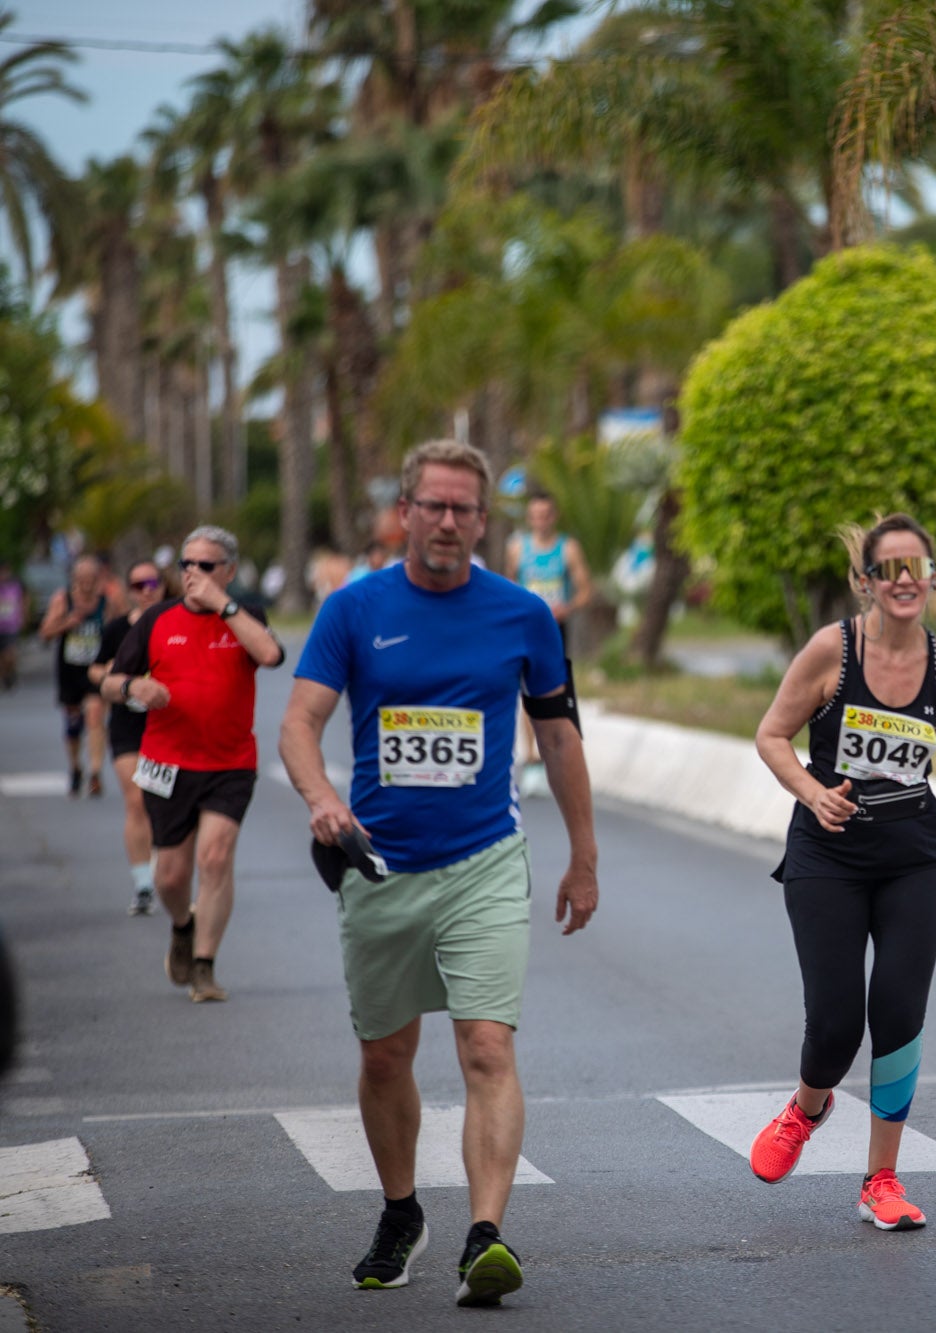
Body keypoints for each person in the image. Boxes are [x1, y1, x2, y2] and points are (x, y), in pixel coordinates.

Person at [279, 440, 599, 1307]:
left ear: (483, 522)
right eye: (435, 505)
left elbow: (561, 738)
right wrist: (320, 798)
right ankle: (400, 1212)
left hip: (486, 862)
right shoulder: (354, 610)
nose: (449, 521)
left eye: (465, 509)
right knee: (386, 1054)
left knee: (487, 1044)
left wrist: (583, 856)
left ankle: (486, 1235)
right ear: (406, 512)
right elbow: (300, 722)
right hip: (378, 865)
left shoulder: (525, 614)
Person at [747, 513, 936, 1232]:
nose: (906, 581)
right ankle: (808, 1105)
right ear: (867, 582)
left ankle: (881, 1177)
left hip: (915, 854)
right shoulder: (832, 650)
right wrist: (813, 793)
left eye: (918, 567)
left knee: (899, 1015)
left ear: (933, 578)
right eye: (891, 569)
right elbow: (771, 734)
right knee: (838, 1024)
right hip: (829, 855)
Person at [102, 528, 284, 1002]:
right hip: (168, 763)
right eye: (187, 565)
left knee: (217, 858)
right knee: (171, 876)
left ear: (228, 571)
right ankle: (183, 926)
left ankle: (205, 967)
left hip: (230, 763)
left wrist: (225, 606)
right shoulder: (157, 619)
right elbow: (110, 680)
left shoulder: (246, 617)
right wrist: (131, 689)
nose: (193, 574)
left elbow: (270, 654)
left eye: (206, 566)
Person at [90, 559, 170, 915]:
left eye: (152, 582)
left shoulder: (178, 623)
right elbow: (95, 669)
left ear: (164, 584)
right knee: (136, 799)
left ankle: (167, 873)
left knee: (163, 804)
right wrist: (114, 674)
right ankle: (142, 884)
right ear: (129, 590)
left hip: (169, 727)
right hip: (128, 726)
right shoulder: (118, 629)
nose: (147, 590)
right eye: (138, 585)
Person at [505, 494, 592, 796]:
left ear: (553, 516)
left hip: (556, 630)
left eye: (545, 514)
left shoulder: (568, 548)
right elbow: (509, 587)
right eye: (535, 515)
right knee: (526, 693)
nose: (540, 520)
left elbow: (585, 590)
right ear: (529, 518)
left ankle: (554, 758)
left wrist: (565, 607)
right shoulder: (518, 548)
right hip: (526, 631)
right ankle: (531, 757)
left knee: (555, 694)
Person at [39, 554, 117, 797]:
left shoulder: (107, 601)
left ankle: (95, 772)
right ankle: (75, 767)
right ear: (74, 578)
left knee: (95, 715)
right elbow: (45, 634)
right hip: (70, 669)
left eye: (91, 578)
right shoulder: (63, 600)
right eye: (82, 578)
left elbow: (120, 630)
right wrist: (67, 623)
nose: (87, 583)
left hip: (95, 669)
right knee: (73, 725)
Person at [0, 561, 26, 690]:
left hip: (11, 625)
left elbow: (23, 599)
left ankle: (11, 673)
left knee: (10, 654)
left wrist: (23, 616)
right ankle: (5, 678)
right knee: (2, 657)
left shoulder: (15, 584)